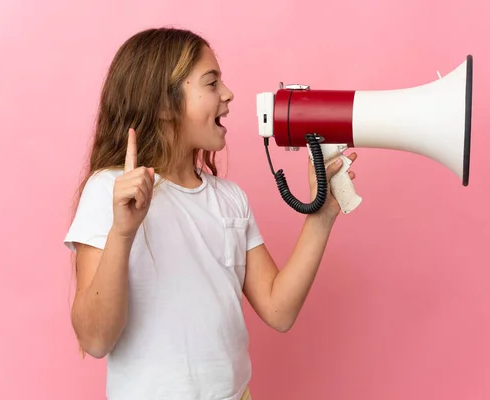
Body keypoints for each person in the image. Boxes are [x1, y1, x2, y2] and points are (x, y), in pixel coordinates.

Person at [64, 27, 358, 400]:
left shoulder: (230, 198)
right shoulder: (109, 191)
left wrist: (322, 213)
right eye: (211, 82)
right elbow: (95, 339)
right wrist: (122, 232)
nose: (228, 93)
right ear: (164, 104)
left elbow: (279, 310)